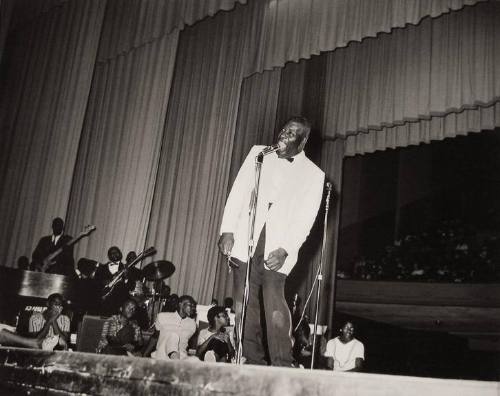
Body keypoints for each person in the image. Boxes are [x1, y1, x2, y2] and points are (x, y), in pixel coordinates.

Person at [218, 116, 325, 367]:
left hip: (278, 243)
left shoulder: (314, 174)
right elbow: (238, 191)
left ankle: (282, 363)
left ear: (304, 140)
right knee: (243, 303)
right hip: (247, 236)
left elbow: (305, 218)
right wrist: (228, 230)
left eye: (292, 132)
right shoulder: (258, 154)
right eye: (284, 129)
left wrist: (286, 248)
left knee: (274, 303)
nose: (285, 134)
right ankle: (252, 360)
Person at [145, 295, 197, 360]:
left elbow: (189, 345)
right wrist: (144, 355)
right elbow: (155, 337)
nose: (193, 308)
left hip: (181, 358)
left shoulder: (192, 324)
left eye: (193, 306)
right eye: (190, 305)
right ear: (180, 304)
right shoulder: (162, 317)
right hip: (161, 357)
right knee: (173, 336)